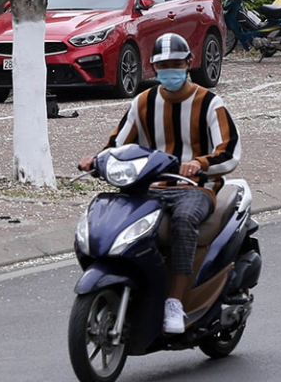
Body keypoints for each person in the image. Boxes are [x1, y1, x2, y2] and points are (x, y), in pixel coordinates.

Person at [79, 34, 242, 336]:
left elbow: (229, 151)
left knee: (183, 221)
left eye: (176, 64)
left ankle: (175, 302)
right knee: (112, 220)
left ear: (188, 64)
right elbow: (117, 144)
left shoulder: (209, 102)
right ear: (153, 68)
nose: (170, 70)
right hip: (147, 188)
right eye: (163, 65)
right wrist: (97, 160)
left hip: (193, 189)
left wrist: (200, 164)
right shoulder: (143, 101)